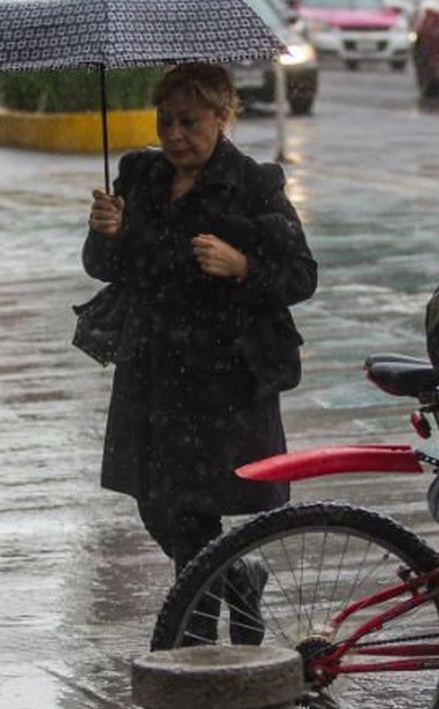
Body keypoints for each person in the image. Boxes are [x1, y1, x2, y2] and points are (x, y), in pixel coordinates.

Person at [82, 63, 317, 639]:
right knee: (158, 506)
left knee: (195, 511)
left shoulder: (254, 184)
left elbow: (301, 276)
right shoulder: (139, 176)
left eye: (189, 121)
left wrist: (243, 267)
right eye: (165, 121)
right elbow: (106, 268)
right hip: (151, 368)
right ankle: (238, 577)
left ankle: (195, 645)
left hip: (221, 376)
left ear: (222, 116)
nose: (174, 135)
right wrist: (105, 233)